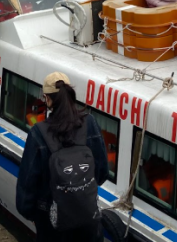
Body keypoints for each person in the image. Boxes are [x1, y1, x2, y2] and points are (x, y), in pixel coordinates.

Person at [16, 72, 109, 241]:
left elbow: (27, 183)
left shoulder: (38, 133)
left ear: (47, 99)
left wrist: (32, 214)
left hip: (51, 222)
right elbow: (102, 173)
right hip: (88, 216)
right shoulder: (90, 123)